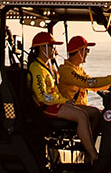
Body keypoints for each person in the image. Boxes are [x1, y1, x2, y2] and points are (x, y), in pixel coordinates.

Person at [27, 31, 99, 163]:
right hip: (47, 107)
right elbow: (42, 96)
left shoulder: (48, 67)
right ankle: (93, 156)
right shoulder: (36, 68)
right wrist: (64, 101)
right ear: (43, 48)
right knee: (81, 115)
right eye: (52, 46)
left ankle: (88, 152)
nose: (54, 50)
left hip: (56, 103)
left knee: (94, 113)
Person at [57, 36, 111, 139]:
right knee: (95, 113)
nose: (87, 53)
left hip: (79, 106)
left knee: (104, 113)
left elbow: (94, 86)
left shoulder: (78, 69)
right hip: (70, 107)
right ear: (79, 51)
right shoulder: (66, 71)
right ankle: (88, 146)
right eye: (86, 50)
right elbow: (89, 83)